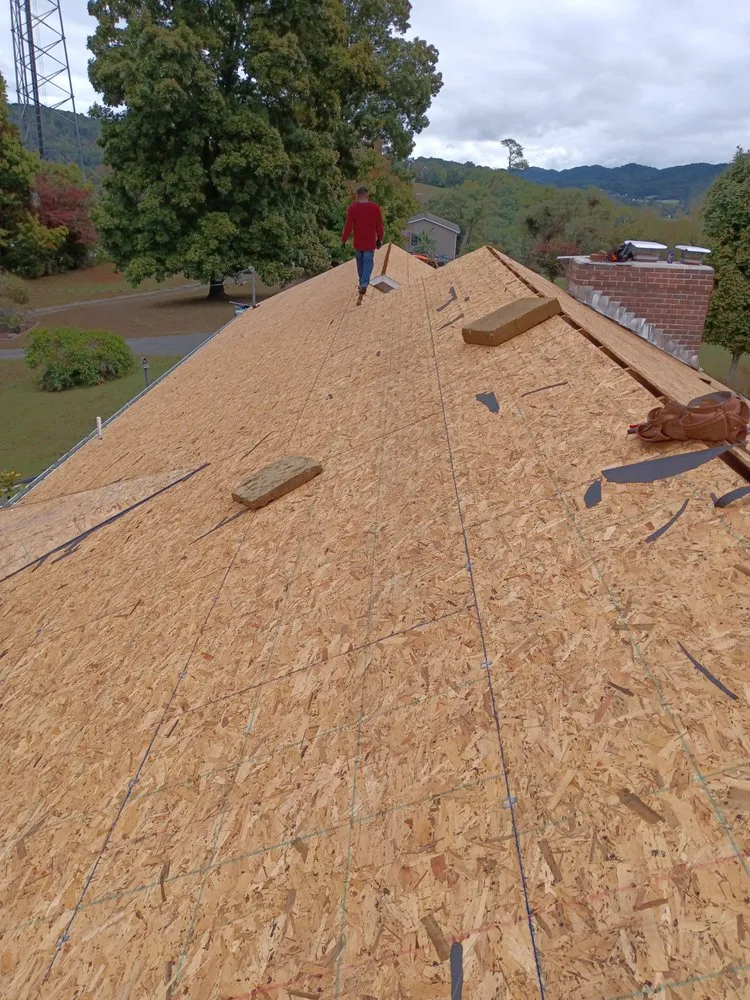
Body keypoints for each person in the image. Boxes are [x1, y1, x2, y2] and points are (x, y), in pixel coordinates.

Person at [341, 186, 384, 295]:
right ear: (367, 195)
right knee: (368, 262)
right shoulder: (375, 208)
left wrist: (344, 240)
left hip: (358, 243)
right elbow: (379, 226)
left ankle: (362, 283)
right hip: (369, 242)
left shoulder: (352, 208)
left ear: (357, 196)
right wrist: (380, 238)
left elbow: (348, 227)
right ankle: (364, 283)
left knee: (360, 264)